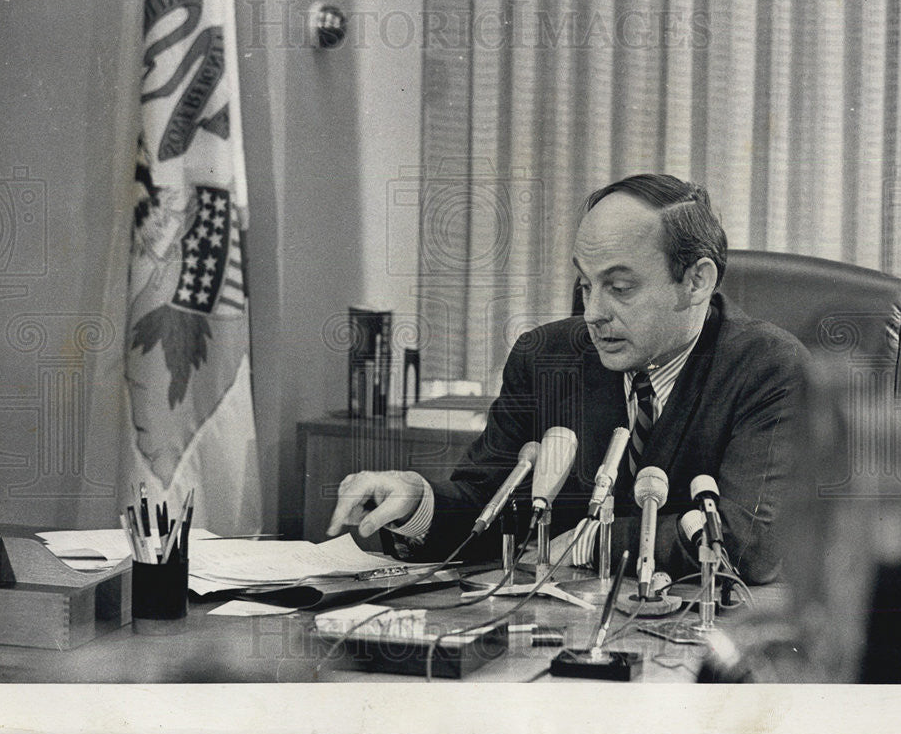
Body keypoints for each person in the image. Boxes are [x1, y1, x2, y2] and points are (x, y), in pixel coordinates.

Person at [327, 174, 810, 584]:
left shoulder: (769, 367)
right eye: (585, 284)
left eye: (620, 288)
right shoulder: (544, 357)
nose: (592, 313)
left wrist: (587, 544)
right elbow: (489, 508)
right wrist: (418, 501)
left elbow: (747, 544)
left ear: (696, 281)